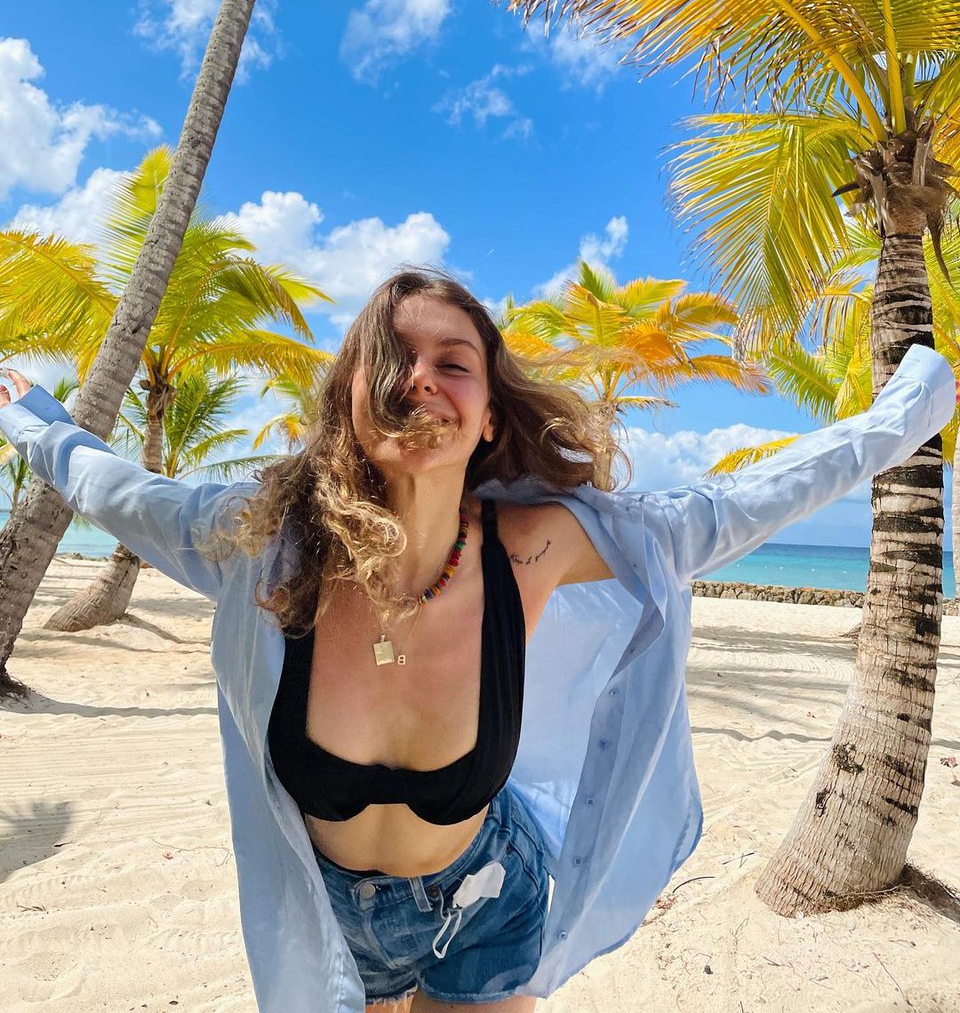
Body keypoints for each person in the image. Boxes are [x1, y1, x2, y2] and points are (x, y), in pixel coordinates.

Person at [0, 267, 955, 1013]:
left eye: (452, 362)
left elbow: (745, 499)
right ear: (348, 402)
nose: (418, 378)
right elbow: (112, 486)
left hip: (492, 897)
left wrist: (911, 405)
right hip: (328, 917)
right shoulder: (266, 547)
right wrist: (27, 414)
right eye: (391, 360)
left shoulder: (539, 550)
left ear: (490, 410)